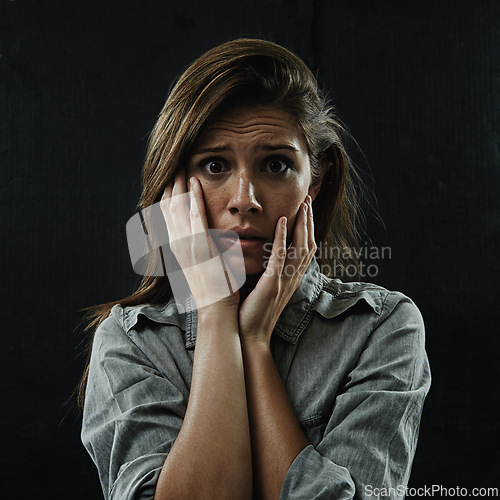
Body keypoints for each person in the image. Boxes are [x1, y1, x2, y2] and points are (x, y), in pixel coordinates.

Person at [80, 38, 431, 499]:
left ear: (316, 179)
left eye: (276, 165)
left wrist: (255, 340)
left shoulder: (380, 328)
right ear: (173, 188)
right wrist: (217, 316)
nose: (245, 199)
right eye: (213, 164)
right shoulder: (130, 342)